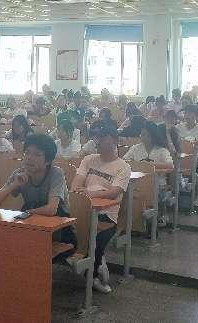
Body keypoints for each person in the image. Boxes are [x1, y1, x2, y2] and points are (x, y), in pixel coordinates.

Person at [72, 122, 131, 294]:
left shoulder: (123, 167)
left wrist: (89, 193)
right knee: (70, 233)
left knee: (97, 238)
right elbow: (76, 185)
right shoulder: (88, 159)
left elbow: (113, 193)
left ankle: (92, 273)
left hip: (107, 214)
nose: (97, 141)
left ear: (115, 141)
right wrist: (85, 193)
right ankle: (91, 266)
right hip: (82, 210)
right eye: (97, 137)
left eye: (103, 137)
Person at [0, 133, 76, 248]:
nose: (29, 157)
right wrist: (14, 184)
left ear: (47, 161)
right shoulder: (19, 173)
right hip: (31, 227)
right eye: (27, 152)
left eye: (37, 154)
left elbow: (51, 209)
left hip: (59, 232)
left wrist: (26, 213)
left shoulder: (56, 173)